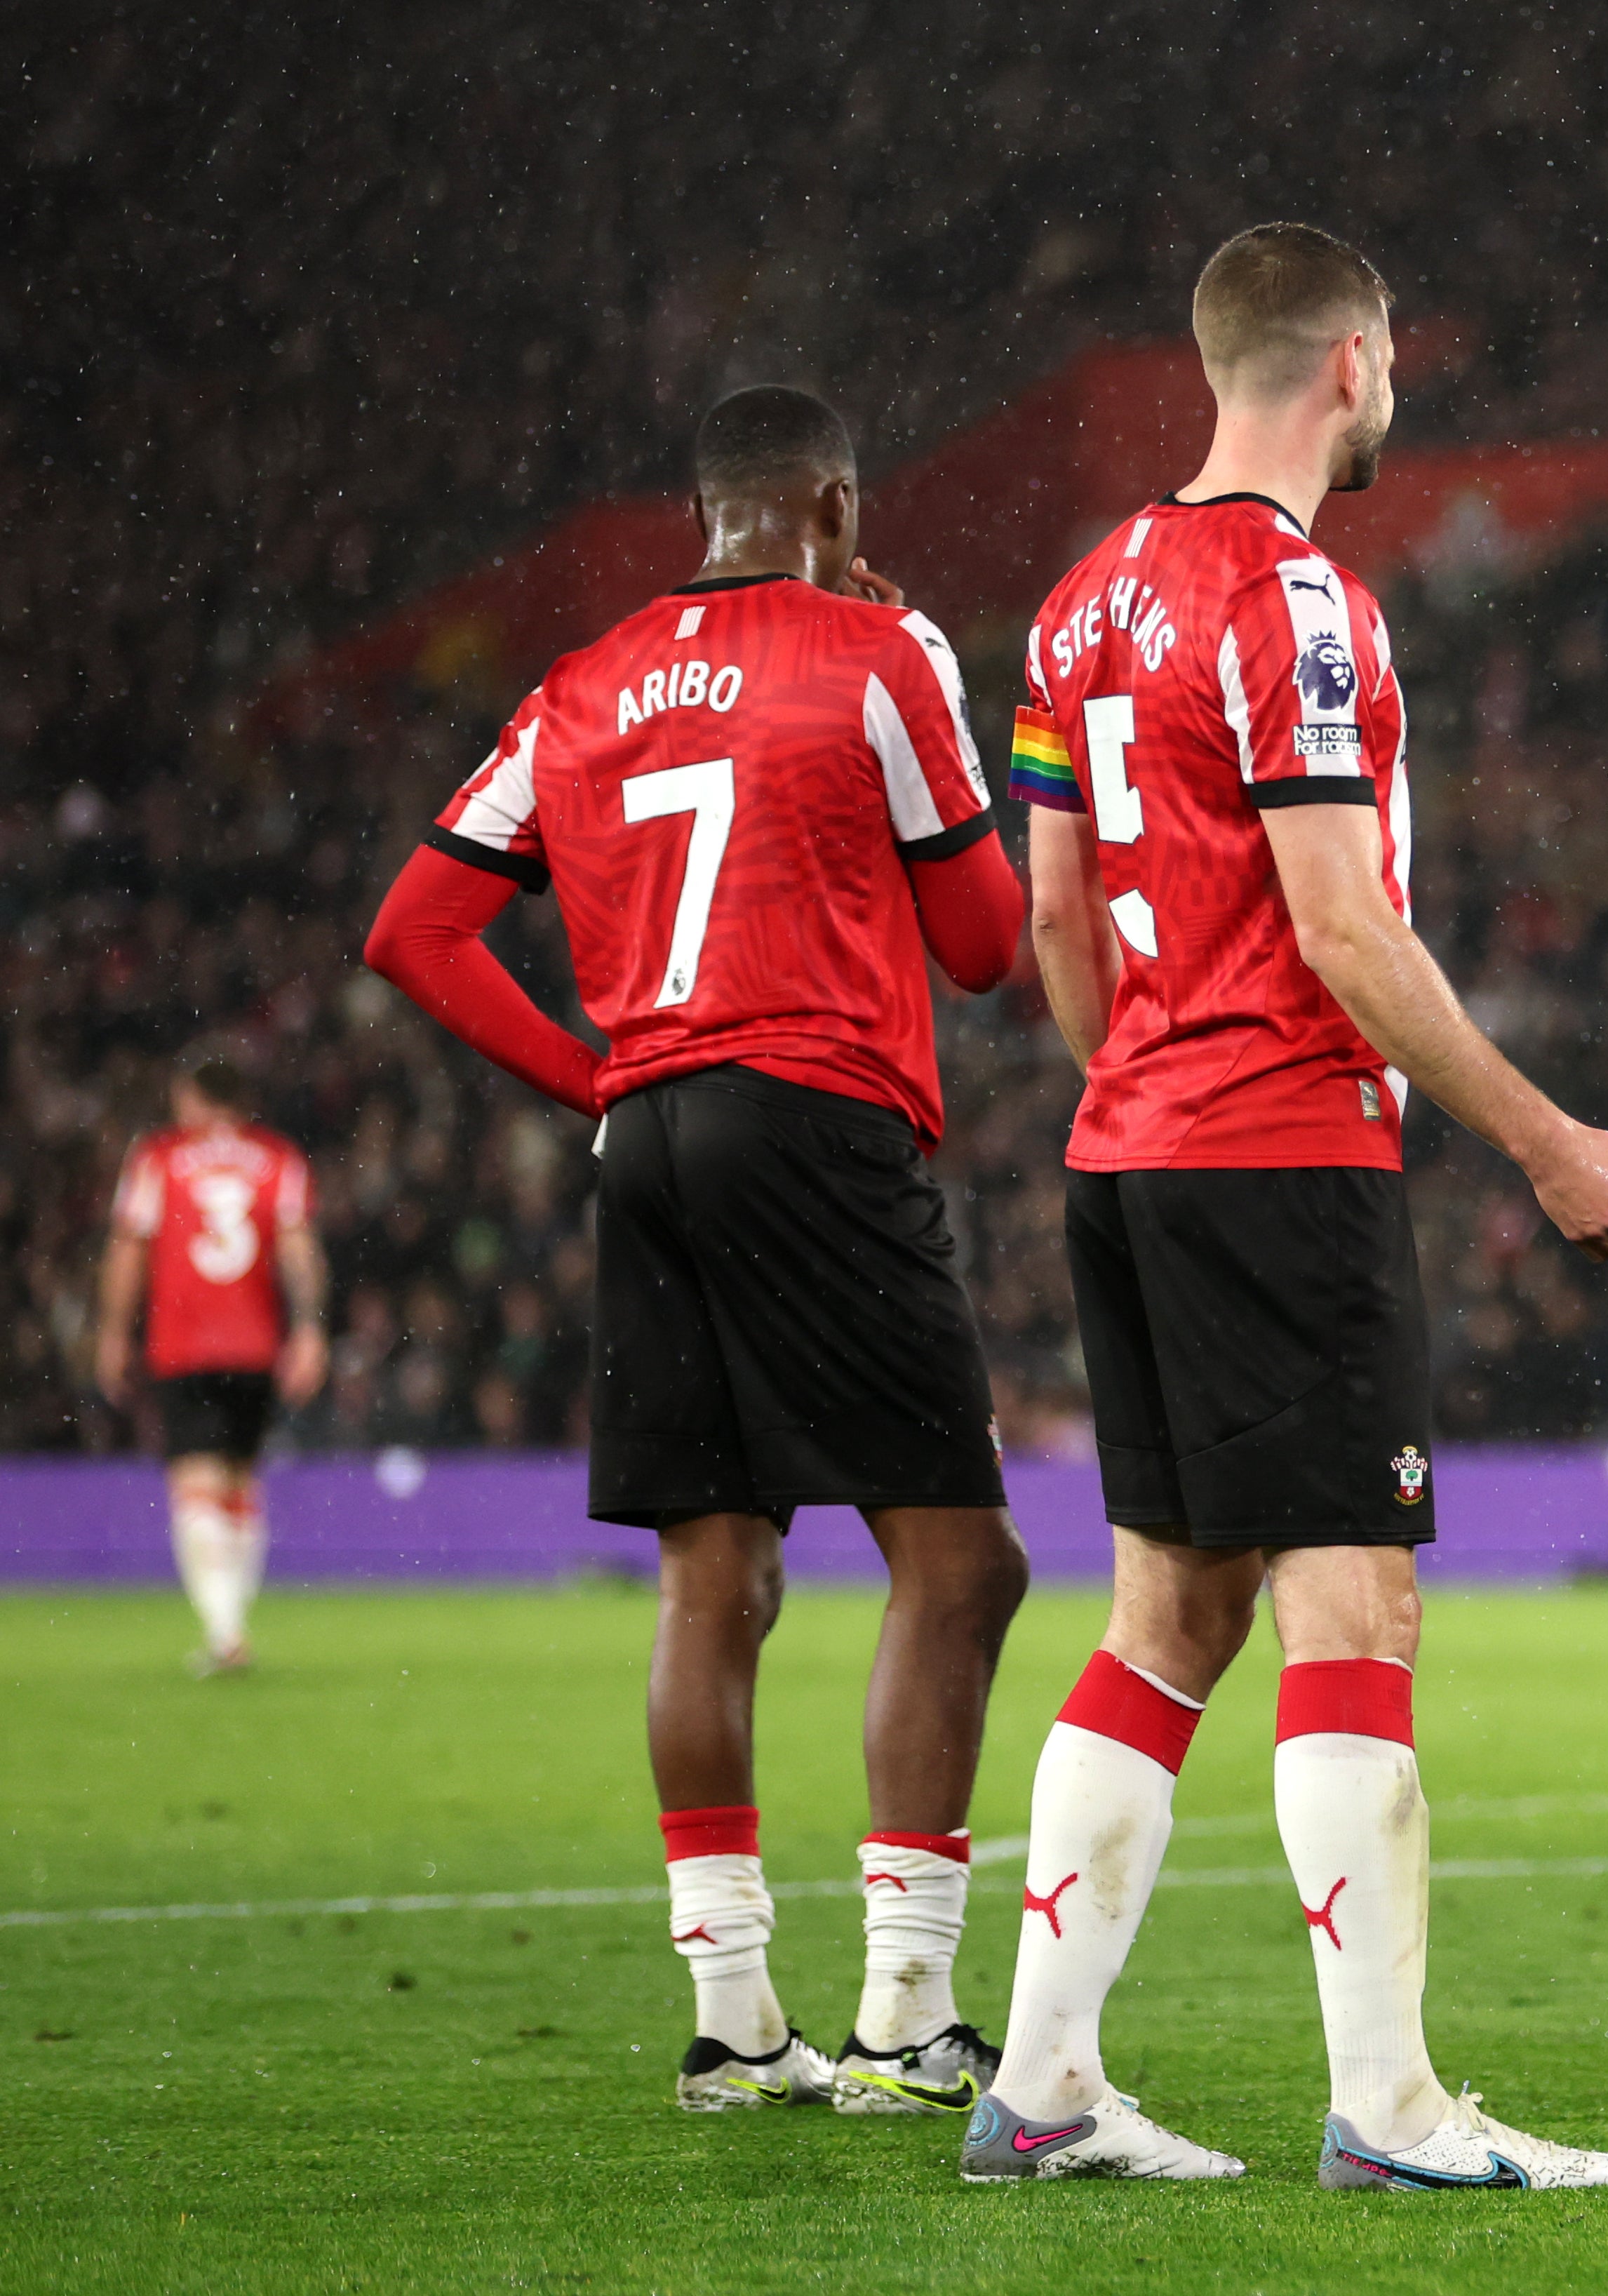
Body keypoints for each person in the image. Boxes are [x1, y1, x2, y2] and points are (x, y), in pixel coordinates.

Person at [968, 221, 1608, 2193]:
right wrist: (1545, 1136)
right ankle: (1387, 2109)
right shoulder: (1298, 610)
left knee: (1169, 1611)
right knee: (1352, 1605)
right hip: (1275, 1150)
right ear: (1354, 364)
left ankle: (1039, 2092)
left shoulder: (1078, 599)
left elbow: (1047, 917)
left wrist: (1136, 1069)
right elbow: (1342, 925)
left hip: (1126, 1151)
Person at [363, 385, 1033, 2118]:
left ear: (704, 513)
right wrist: (930, 677)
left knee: (712, 1581)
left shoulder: (579, 685)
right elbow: (981, 946)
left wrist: (595, 1071)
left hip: (647, 1134)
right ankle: (902, 2016)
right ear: (829, 500)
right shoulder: (879, 657)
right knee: (961, 1568)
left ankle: (737, 2021)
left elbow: (417, 927)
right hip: (813, 1110)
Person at [94, 1060, 328, 1674]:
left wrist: (114, 1332)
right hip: (255, 1345)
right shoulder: (277, 1158)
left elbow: (128, 1247)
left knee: (195, 1484)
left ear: (190, 1096)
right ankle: (232, 1626)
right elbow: (298, 1246)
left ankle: (225, 1634)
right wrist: (308, 1330)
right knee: (239, 1483)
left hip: (185, 1344)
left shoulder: (158, 1158)